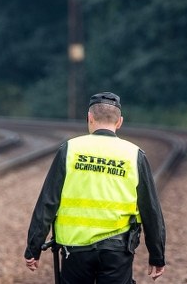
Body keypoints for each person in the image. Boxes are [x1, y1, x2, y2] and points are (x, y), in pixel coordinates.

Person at [24, 92, 166, 283]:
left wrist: (34, 247)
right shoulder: (134, 155)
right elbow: (151, 210)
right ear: (119, 122)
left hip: (74, 250)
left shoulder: (70, 149)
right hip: (117, 250)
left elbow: (48, 202)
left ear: (89, 118)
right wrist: (157, 255)